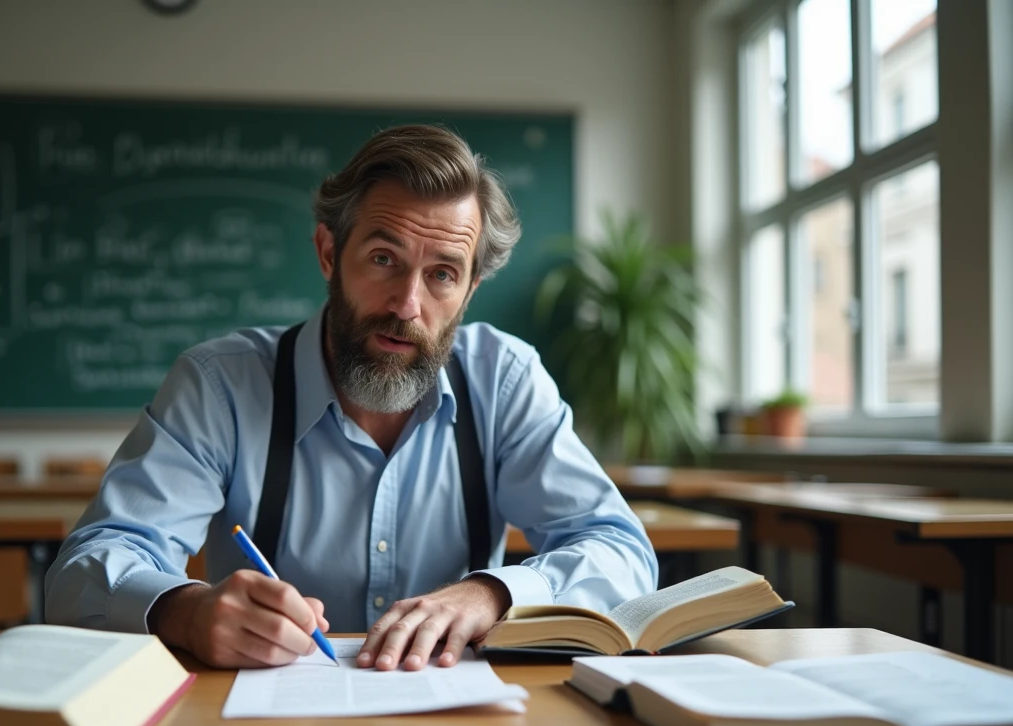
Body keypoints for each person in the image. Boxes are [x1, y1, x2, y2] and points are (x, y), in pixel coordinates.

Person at [45, 124, 657, 671]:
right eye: (383, 259)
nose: (406, 305)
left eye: (443, 273)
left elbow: (621, 552)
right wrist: (185, 611)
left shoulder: (504, 381)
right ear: (329, 254)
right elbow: (84, 569)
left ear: (469, 290)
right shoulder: (222, 385)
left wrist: (493, 594)